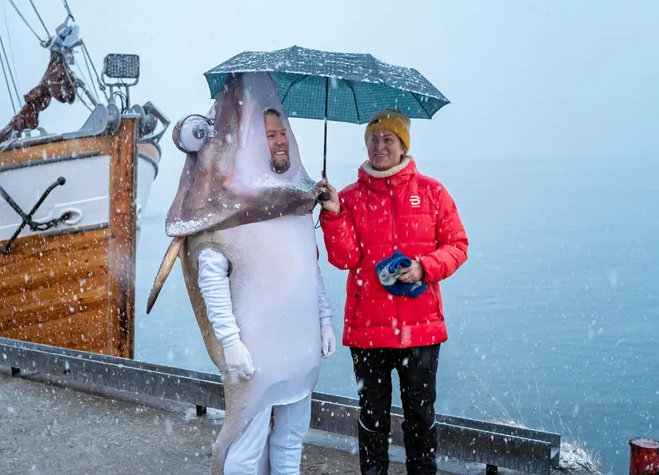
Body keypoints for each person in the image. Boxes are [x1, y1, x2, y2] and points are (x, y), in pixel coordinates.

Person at [156, 72, 336, 474]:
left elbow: (310, 268)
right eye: (269, 134)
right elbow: (211, 275)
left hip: (300, 343)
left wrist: (324, 320)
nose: (280, 140)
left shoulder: (298, 195)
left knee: (291, 440)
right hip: (257, 349)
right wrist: (230, 341)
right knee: (246, 445)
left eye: (282, 132)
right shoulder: (227, 202)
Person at [317, 109, 468, 475]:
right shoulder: (350, 197)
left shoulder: (432, 192)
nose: (379, 146)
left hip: (420, 331)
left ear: (403, 145)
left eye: (388, 139)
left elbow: (458, 245)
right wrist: (334, 214)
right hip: (369, 331)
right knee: (372, 423)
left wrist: (424, 267)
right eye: (373, 138)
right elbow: (344, 258)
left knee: (420, 418)